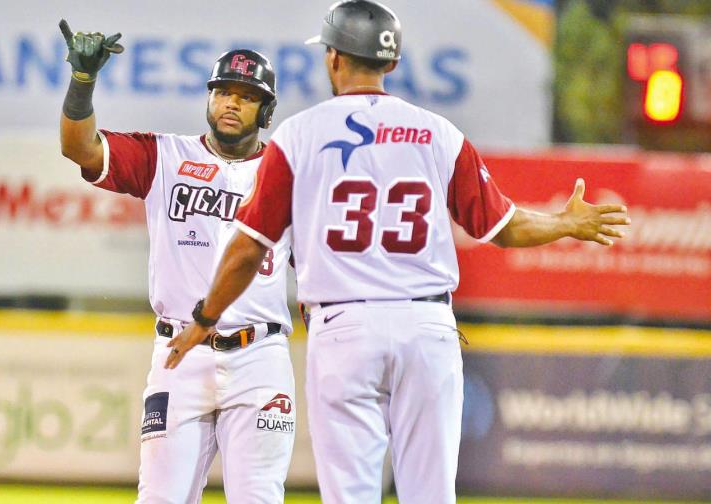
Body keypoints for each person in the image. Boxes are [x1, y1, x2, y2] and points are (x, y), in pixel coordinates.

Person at [165, 1, 632, 502]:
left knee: (352, 495)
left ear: (333, 58)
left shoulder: (298, 136)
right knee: (430, 494)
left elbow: (247, 248)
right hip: (426, 328)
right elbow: (501, 225)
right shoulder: (439, 133)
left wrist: (205, 316)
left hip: (343, 330)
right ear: (390, 63)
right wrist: (564, 222)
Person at [57, 20, 296, 503]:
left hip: (259, 356)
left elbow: (319, 270)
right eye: (223, 91)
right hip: (178, 354)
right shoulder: (164, 155)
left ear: (265, 111)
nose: (231, 103)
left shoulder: (288, 173)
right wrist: (82, 85)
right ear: (208, 99)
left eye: (247, 96)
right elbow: (78, 147)